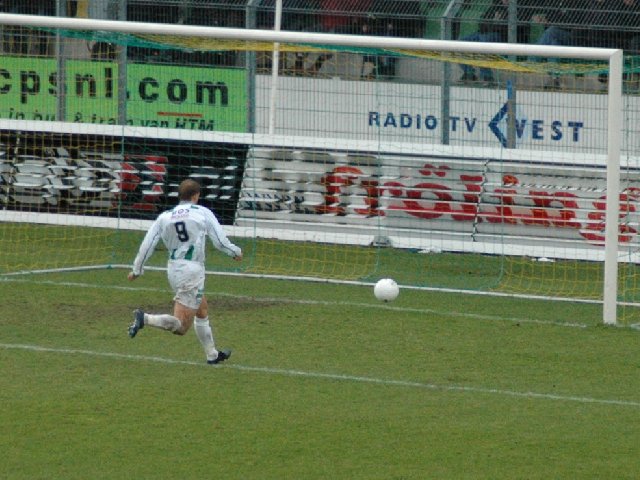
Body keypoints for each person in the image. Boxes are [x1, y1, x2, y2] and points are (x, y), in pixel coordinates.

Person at [127, 178, 243, 365]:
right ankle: (145, 318)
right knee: (180, 327)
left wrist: (137, 270)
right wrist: (235, 252)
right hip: (191, 271)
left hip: (174, 268)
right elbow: (220, 241)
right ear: (196, 196)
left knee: (202, 309)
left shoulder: (165, 216)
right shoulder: (202, 212)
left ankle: (212, 354)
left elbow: (147, 245)